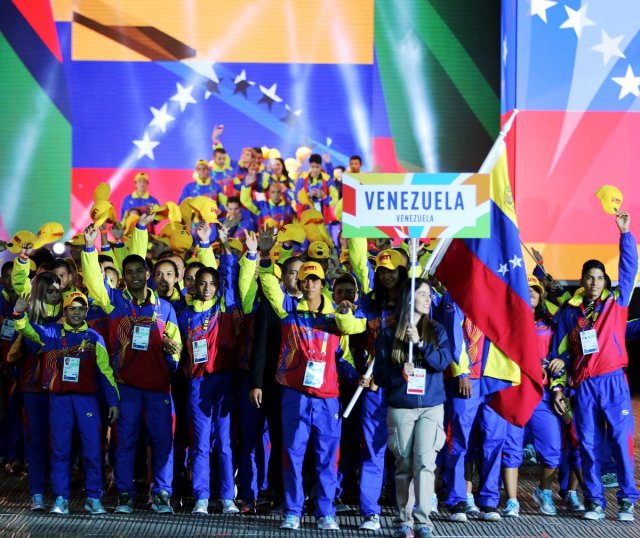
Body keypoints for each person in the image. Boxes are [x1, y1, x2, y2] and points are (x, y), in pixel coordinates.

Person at [81, 219, 182, 515]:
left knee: (163, 441)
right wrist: (89, 248)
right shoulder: (113, 303)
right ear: (123, 277)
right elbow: (93, 282)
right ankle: (124, 493)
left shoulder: (164, 308)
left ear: (147, 275)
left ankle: (161, 493)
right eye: (130, 272)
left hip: (157, 388)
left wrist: (171, 358)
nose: (135, 276)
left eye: (140, 271)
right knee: (124, 442)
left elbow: (175, 345)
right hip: (126, 387)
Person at [549, 211, 638, 522]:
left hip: (613, 381)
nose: (595, 282)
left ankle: (627, 499)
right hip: (584, 385)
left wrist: (625, 235)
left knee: (621, 441)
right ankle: (595, 501)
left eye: (600, 277)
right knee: (587, 444)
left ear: (606, 281)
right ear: (582, 280)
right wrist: (558, 385)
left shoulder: (617, 302)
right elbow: (557, 354)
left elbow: (629, 269)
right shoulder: (570, 313)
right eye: (589, 277)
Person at [259, 261, 358, 531]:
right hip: (295, 395)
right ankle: (293, 511)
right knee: (293, 454)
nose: (310, 284)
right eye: (305, 280)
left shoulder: (336, 317)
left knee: (327, 458)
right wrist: (266, 256)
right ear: (300, 284)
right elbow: (268, 284)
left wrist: (357, 377)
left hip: (327, 398)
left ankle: (325, 512)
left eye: (315, 280)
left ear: (323, 284)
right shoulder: (288, 312)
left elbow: (344, 356)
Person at [14, 291, 119, 516]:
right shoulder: (51, 333)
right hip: (59, 400)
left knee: (92, 449)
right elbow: (27, 330)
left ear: (86, 312)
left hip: (87, 401)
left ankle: (93, 498)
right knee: (60, 450)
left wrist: (113, 400)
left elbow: (106, 372)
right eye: (72, 308)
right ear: (65, 311)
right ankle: (61, 499)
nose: (76, 312)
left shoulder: (93, 338)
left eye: (81, 309)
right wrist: (19, 312)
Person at [370, 279, 452, 538]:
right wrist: (398, 372)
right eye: (423, 294)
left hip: (431, 406)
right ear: (409, 299)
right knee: (404, 463)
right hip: (402, 406)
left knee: (425, 462)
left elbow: (442, 362)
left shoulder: (437, 330)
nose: (429, 299)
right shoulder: (388, 333)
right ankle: (403, 520)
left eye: (430, 295)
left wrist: (420, 344)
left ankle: (423, 521)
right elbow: (380, 374)